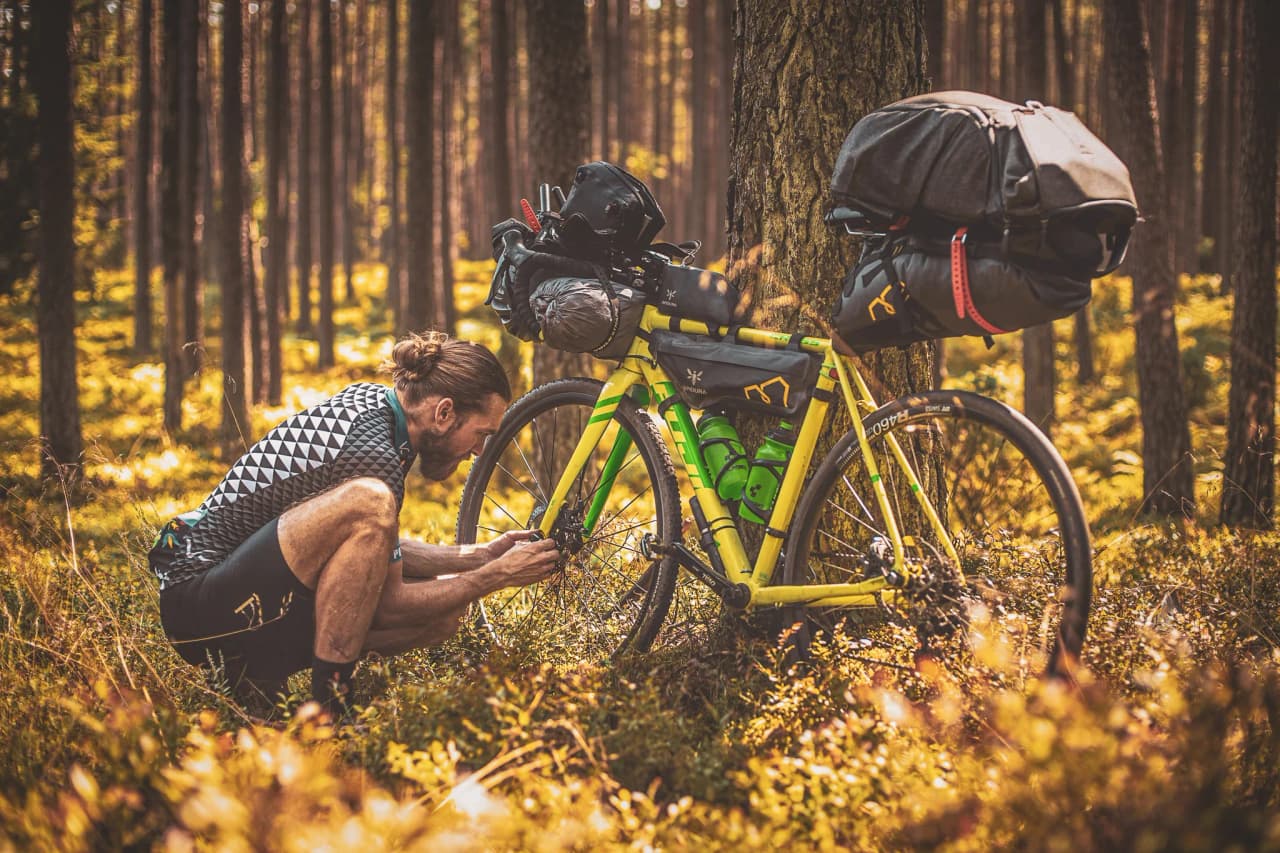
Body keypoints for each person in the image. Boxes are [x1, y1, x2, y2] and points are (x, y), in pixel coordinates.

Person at [148, 331, 561, 715]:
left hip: (237, 592)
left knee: (444, 615)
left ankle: (257, 682)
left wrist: (479, 556)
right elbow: (390, 604)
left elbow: (373, 552)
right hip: (198, 602)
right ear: (444, 412)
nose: (479, 450)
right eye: (481, 433)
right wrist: (496, 576)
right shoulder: (374, 461)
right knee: (373, 502)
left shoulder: (379, 412)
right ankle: (330, 714)